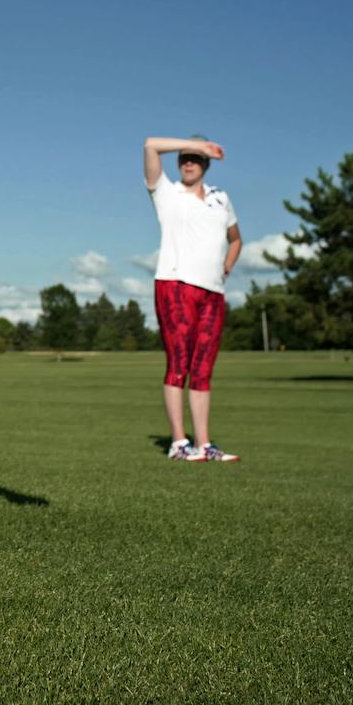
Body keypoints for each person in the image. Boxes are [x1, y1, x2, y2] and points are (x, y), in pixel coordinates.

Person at [142, 136, 241, 462]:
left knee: (202, 370)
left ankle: (204, 445)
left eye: (195, 158)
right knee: (179, 365)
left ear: (206, 165)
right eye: (185, 157)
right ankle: (179, 443)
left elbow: (235, 239)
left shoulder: (220, 198)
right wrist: (198, 143)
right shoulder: (166, 192)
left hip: (213, 291)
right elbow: (150, 145)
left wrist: (227, 266)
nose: (188, 162)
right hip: (175, 284)